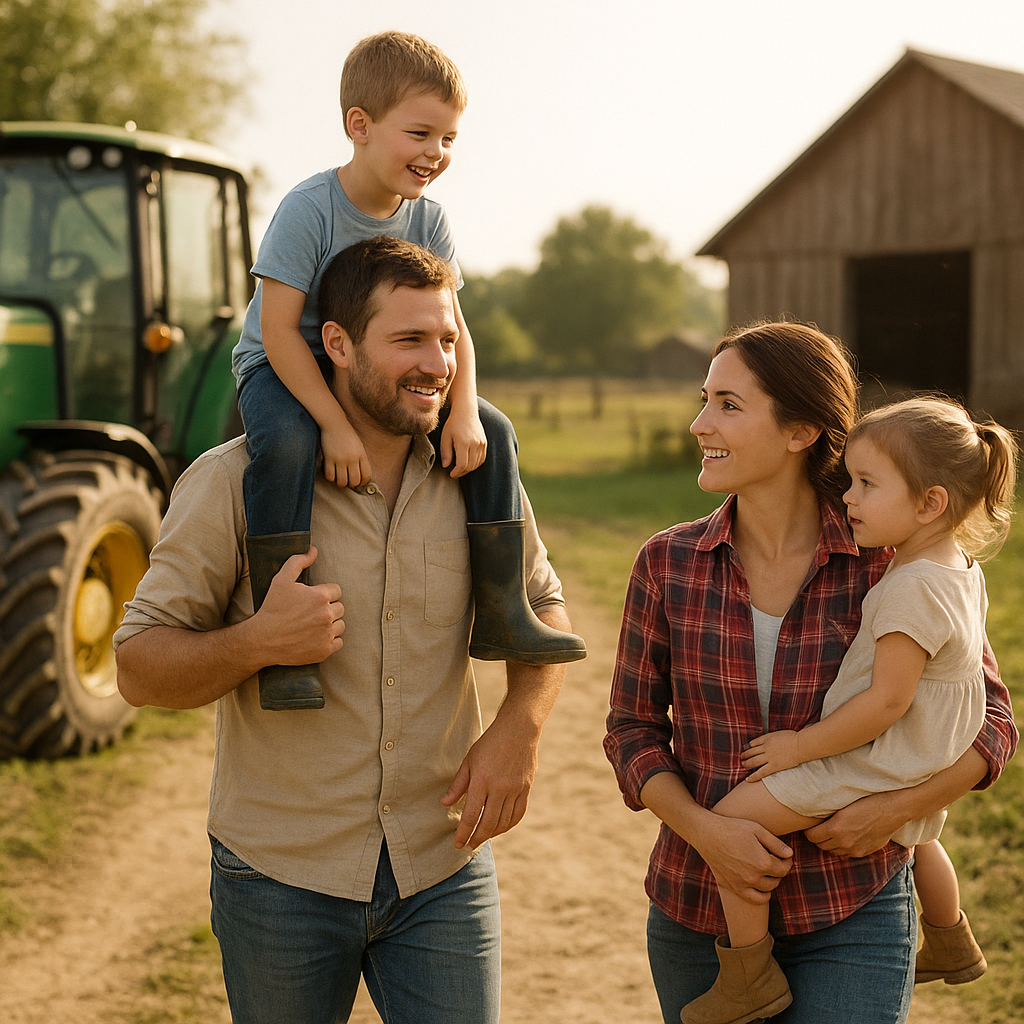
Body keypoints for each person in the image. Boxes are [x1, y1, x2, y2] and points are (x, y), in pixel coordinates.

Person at [115, 236, 576, 1024]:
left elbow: (544, 609)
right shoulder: (231, 482)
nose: (437, 363)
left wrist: (519, 729)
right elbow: (137, 667)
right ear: (336, 343)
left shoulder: (479, 479)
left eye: (447, 339)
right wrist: (258, 642)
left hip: (442, 872)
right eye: (407, 340)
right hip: (279, 878)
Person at [604, 321, 1018, 1024]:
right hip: (699, 909)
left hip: (853, 907)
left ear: (800, 430)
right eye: (705, 399)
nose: (700, 423)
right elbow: (631, 732)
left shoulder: (896, 560)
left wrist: (892, 811)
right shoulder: (667, 564)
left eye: (729, 405)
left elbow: (994, 726)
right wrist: (710, 833)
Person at [230, 30, 584, 710]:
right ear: (358, 127)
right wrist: (332, 424)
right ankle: (283, 645)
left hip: (381, 368)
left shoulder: (429, 219)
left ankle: (504, 609)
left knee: (496, 432)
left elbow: (458, 326)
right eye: (421, 133)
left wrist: (462, 407)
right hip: (288, 367)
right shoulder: (309, 209)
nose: (436, 154)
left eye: (449, 139)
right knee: (289, 445)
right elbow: (277, 331)